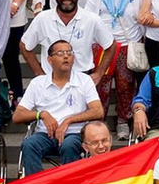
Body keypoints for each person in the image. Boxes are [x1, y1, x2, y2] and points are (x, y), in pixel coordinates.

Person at [14, 40, 104, 173]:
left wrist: (68, 121)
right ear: (49, 60)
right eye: (61, 53)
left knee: (70, 145)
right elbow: (17, 115)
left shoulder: (84, 80)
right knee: (29, 145)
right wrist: (41, 114)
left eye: (69, 53)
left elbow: (98, 111)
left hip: (74, 133)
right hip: (45, 134)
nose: (66, 56)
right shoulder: (37, 83)